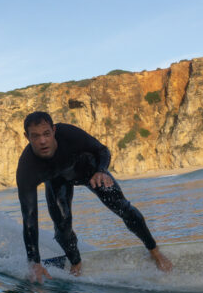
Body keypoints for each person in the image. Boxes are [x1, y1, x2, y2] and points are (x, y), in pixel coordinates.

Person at [16, 111, 172, 283]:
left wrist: (101, 170)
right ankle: (75, 262)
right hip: (56, 180)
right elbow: (29, 218)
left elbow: (102, 150)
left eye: (46, 134)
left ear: (54, 130)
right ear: (27, 137)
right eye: (35, 136)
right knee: (62, 225)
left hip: (89, 170)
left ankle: (154, 251)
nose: (42, 141)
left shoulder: (69, 134)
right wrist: (34, 262)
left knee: (121, 207)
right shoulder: (26, 168)